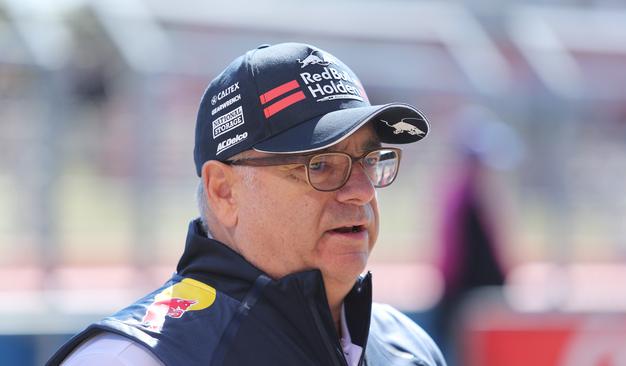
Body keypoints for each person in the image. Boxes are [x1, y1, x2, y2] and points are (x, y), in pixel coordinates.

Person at [48, 42, 446, 366]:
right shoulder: (133, 359)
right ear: (224, 191)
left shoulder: (406, 346)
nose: (361, 191)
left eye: (370, 161)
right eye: (320, 164)